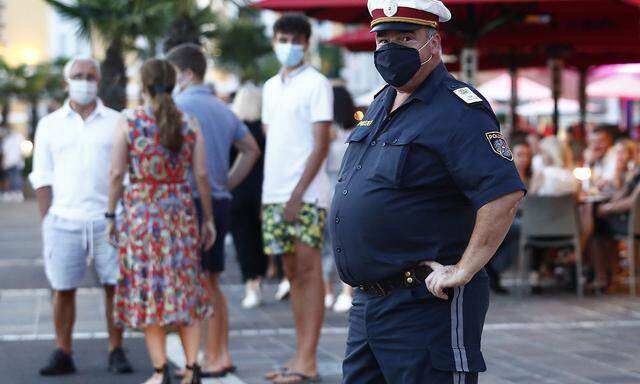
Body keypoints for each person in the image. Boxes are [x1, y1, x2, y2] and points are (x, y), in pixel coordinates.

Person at [330, 1, 525, 383]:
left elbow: (502, 193)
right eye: (383, 38)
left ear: (433, 43)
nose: (391, 48)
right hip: (369, 304)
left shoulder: (458, 108)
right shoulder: (380, 103)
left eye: (406, 37)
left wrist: (465, 268)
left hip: (423, 304)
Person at [107, 58, 215, 384]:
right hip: (180, 213)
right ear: (173, 82)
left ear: (142, 84)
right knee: (186, 289)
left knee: (148, 291)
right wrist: (207, 218)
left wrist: (111, 214)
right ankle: (192, 368)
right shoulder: (189, 122)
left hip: (141, 215)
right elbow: (200, 174)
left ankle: (159, 371)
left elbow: (116, 174)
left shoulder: (130, 121)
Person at [29, 56, 132, 376]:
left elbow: (127, 176)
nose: (84, 81)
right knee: (62, 289)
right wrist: (47, 221)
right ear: (66, 82)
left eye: (90, 76)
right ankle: (63, 350)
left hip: (108, 220)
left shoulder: (117, 121)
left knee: (114, 286)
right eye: (78, 76)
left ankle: (116, 348)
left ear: (99, 82)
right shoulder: (49, 125)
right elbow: (42, 177)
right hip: (63, 221)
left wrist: (121, 216)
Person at [167, 43, 260, 378]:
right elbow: (250, 149)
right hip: (218, 200)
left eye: (172, 73)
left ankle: (210, 355)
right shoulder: (224, 109)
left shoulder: (176, 107)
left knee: (197, 283)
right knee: (211, 281)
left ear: (187, 73)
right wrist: (228, 183)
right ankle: (215, 354)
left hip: (189, 200)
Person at [261, 13, 333, 384]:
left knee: (308, 272)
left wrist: (296, 195)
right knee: (291, 275)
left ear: (306, 42)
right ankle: (299, 355)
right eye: (281, 38)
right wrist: (270, 200)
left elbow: (321, 145)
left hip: (305, 196)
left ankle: (308, 359)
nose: (287, 45)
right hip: (273, 195)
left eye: (294, 39)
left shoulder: (318, 84)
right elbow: (275, 140)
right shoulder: (271, 87)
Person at [230, 83, 268, 309]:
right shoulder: (264, 131)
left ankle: (249, 283)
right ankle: (259, 280)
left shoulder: (234, 130)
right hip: (263, 191)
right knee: (261, 240)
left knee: (242, 240)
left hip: (237, 191)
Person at [322, 84, 356, 313]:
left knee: (328, 245)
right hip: (351, 191)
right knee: (347, 243)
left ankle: (328, 292)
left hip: (327, 190)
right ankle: (346, 291)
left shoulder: (324, 133)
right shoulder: (358, 130)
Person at [487, 139, 533, 294]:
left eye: (527, 155)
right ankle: (493, 268)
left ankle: (492, 267)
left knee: (522, 230)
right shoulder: (503, 176)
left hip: (527, 218)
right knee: (519, 229)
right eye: (520, 154)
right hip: (505, 218)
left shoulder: (533, 178)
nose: (524, 158)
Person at [1, 125, 25, 202]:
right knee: (12, 178)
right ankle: (15, 193)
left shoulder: (15, 138)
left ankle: (17, 193)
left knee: (15, 178)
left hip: (14, 162)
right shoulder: (11, 139)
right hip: (11, 162)